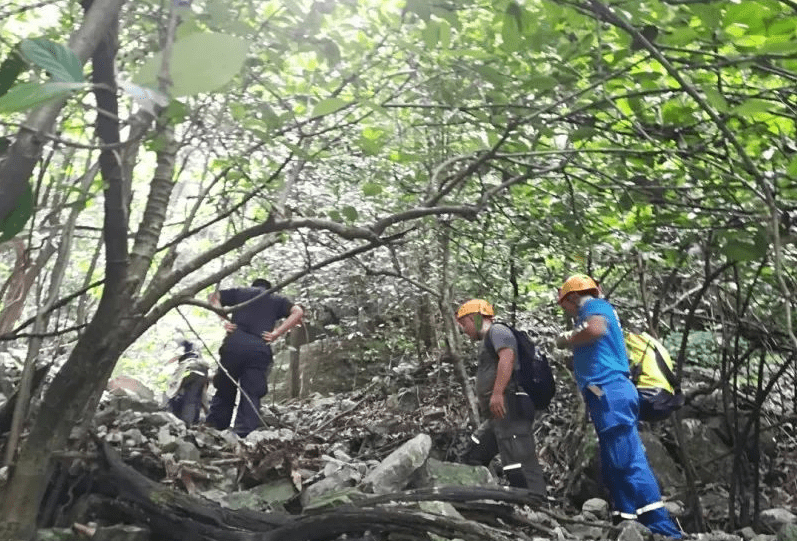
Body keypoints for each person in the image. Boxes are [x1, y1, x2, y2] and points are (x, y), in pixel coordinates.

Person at [554, 274, 682, 538]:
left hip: (609, 391)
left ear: (573, 296)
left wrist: (565, 338)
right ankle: (625, 518)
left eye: (563, 303)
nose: (564, 309)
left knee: (627, 458)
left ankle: (662, 527)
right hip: (604, 393)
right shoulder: (592, 311)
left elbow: (595, 330)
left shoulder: (593, 306)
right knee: (614, 458)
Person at [456, 299, 547, 502]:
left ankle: (536, 506)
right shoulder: (489, 338)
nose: (463, 330)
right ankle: (480, 498)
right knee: (473, 453)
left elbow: (507, 356)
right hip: (498, 415)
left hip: (511, 404)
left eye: (464, 324)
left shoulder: (497, 331)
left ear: (475, 318)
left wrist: (497, 393)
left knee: (518, 461)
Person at [205, 278, 304, 437]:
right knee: (251, 393)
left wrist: (224, 320)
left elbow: (212, 296)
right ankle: (243, 435)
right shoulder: (276, 298)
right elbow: (298, 311)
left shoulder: (240, 292)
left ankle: (214, 430)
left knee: (225, 388)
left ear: (253, 285)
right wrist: (277, 333)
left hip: (234, 344)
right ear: (269, 287)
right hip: (258, 348)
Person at [165, 339, 209, 426]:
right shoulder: (199, 361)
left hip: (188, 369)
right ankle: (189, 423)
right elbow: (204, 394)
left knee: (186, 398)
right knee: (193, 398)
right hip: (200, 370)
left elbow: (174, 386)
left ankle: (184, 424)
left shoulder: (182, 362)